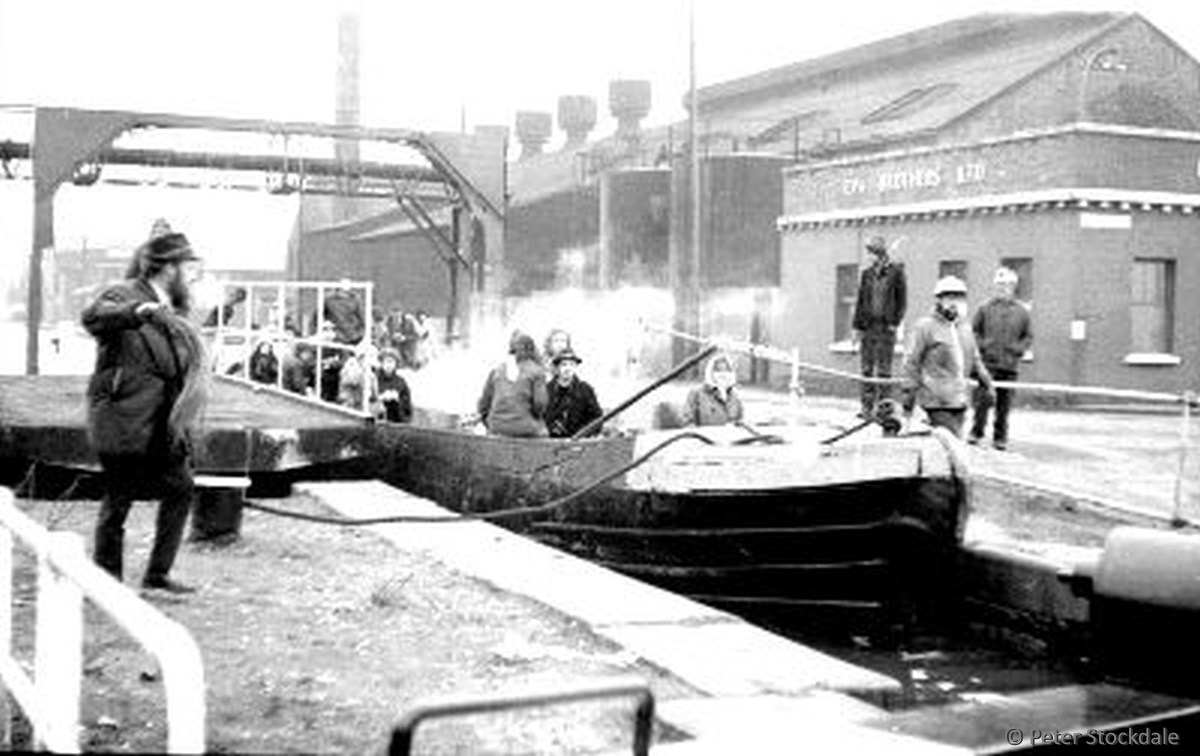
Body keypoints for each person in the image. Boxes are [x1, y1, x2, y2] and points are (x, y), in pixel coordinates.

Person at [82, 231, 207, 594]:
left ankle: (157, 576)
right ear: (169, 268)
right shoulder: (125, 295)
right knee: (118, 501)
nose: (191, 275)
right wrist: (137, 313)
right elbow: (92, 317)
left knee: (181, 488)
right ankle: (107, 584)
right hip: (125, 417)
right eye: (187, 267)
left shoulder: (176, 310)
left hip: (163, 423)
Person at [901, 276, 995, 438]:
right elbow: (912, 363)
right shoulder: (925, 327)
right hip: (935, 402)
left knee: (950, 451)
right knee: (951, 446)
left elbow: (975, 361)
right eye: (949, 297)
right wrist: (908, 401)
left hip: (959, 401)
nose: (954, 302)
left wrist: (988, 385)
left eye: (959, 297)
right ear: (939, 300)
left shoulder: (965, 329)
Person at [970, 267, 1033, 450]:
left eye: (1006, 285)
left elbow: (1028, 336)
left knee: (1004, 406)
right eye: (999, 284)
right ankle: (976, 433)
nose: (1002, 288)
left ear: (1013, 287)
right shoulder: (984, 308)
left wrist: (1017, 350)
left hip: (1009, 366)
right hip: (987, 365)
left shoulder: (1022, 312)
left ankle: (1000, 438)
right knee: (982, 401)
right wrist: (983, 347)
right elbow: (974, 332)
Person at [852, 235, 907, 419]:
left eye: (870, 253)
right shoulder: (866, 275)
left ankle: (884, 409)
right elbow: (860, 302)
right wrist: (857, 328)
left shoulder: (895, 273)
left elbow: (902, 301)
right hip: (868, 327)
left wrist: (894, 323)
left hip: (886, 328)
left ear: (879, 254)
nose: (868, 257)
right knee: (867, 369)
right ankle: (867, 408)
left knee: (884, 370)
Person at [477, 331, 549, 437]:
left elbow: (483, 405)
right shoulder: (537, 371)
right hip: (525, 428)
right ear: (533, 349)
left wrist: (490, 422)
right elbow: (540, 405)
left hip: (496, 427)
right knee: (544, 432)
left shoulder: (497, 370)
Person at [545, 347, 603, 438]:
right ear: (557, 368)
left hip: (578, 443)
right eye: (564, 364)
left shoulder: (585, 390)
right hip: (551, 442)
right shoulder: (547, 390)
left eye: (571, 364)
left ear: (575, 367)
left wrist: (585, 434)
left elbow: (597, 419)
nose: (568, 369)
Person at [683, 353, 744, 426]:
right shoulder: (697, 394)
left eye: (727, 370)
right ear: (710, 372)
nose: (723, 374)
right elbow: (687, 421)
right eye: (718, 370)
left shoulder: (735, 397)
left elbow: (740, 422)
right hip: (704, 436)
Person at [375, 347, 413, 423]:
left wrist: (396, 400)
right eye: (386, 362)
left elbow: (407, 408)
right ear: (381, 363)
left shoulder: (401, 382)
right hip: (376, 418)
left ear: (396, 364)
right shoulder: (374, 378)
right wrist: (381, 397)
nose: (389, 365)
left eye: (391, 362)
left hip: (395, 420)